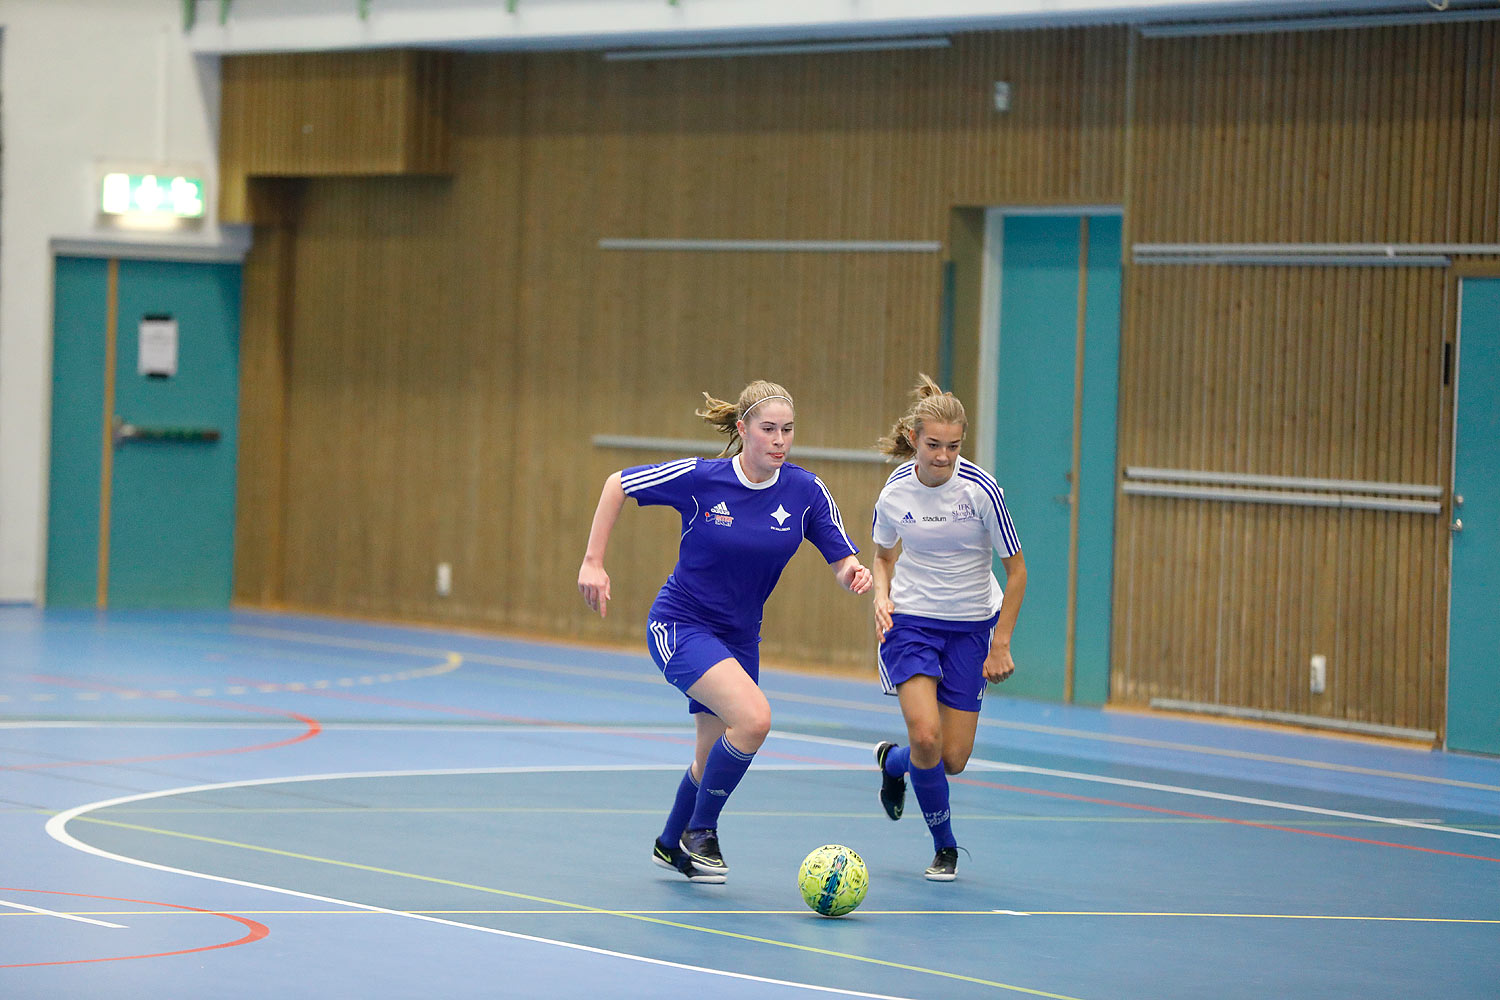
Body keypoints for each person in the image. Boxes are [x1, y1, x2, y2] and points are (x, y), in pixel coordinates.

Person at [578, 380, 872, 883]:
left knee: (709, 755)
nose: (780, 440)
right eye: (768, 429)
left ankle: (671, 843)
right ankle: (702, 832)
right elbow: (616, 484)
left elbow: (841, 558)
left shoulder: (804, 491)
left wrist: (852, 575)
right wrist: (592, 562)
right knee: (755, 720)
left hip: (739, 637)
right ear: (743, 430)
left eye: (788, 430)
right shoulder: (701, 478)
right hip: (681, 624)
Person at [869, 374, 1026, 881]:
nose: (943, 456)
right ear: (915, 439)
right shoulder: (895, 492)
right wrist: (880, 595)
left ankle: (894, 764)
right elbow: (882, 555)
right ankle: (945, 847)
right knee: (928, 735)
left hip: (970, 628)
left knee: (951, 759)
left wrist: (1000, 641)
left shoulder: (981, 491)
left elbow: (1017, 572)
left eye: (953, 446)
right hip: (911, 623)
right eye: (934, 445)